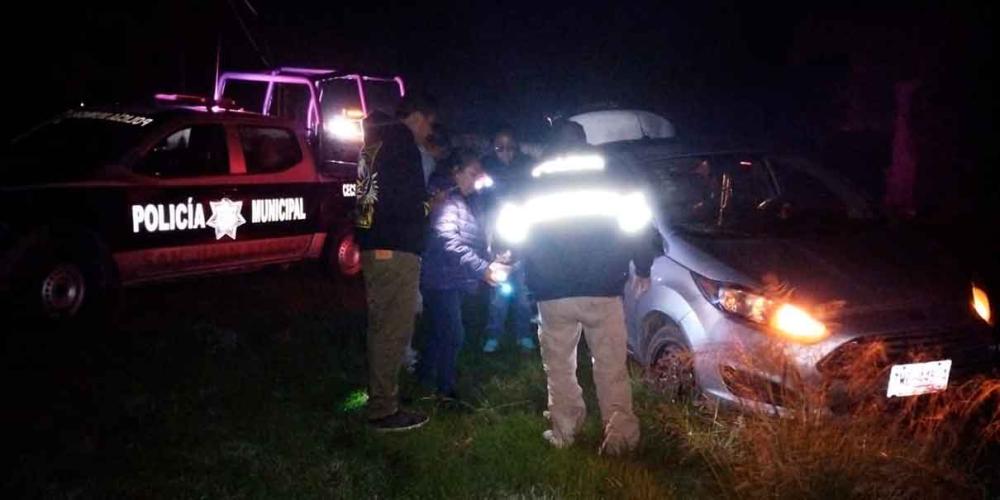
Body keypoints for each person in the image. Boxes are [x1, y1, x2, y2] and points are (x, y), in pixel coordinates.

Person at [499, 121, 655, 454]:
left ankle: (565, 430)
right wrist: (642, 267)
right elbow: (638, 223)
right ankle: (620, 439)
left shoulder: (530, 179)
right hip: (603, 288)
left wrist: (507, 254)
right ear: (585, 143)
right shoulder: (613, 172)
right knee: (611, 365)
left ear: (551, 145)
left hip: (552, 291)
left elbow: (509, 232)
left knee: (559, 366)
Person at [354, 92, 438, 432]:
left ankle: (382, 398)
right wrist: (431, 205)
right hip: (396, 248)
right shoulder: (402, 146)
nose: (428, 133)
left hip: (374, 246)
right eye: (429, 124)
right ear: (416, 117)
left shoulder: (373, 143)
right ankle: (384, 411)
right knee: (393, 330)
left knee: (381, 328)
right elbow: (410, 203)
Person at [418, 149, 509, 401]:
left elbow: (473, 240)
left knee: (439, 332)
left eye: (481, 173)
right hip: (440, 278)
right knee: (453, 334)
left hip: (452, 278)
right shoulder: (447, 200)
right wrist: (483, 268)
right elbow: (449, 242)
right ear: (455, 172)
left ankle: (425, 380)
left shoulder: (469, 200)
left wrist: (492, 258)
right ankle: (445, 390)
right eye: (472, 173)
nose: (478, 178)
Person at [480, 127, 536, 352]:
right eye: (500, 148)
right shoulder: (486, 169)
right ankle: (493, 334)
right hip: (498, 245)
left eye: (510, 147)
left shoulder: (527, 167)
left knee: (523, 296)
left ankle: (523, 334)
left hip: (523, 244)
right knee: (498, 297)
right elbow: (482, 208)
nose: (506, 153)